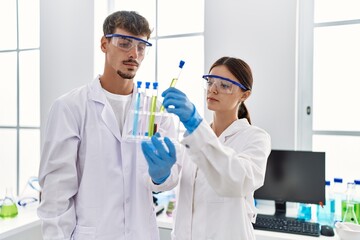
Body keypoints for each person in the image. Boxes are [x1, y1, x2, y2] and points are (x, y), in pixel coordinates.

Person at [37, 11, 180, 240]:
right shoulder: (70, 107)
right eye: (125, 44)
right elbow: (55, 195)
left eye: (141, 47)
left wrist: (161, 176)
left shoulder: (156, 111)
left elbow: (167, 182)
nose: (134, 54)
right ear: (104, 44)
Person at [143, 56, 271, 239]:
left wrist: (196, 125)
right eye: (210, 82)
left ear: (245, 95)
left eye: (224, 85)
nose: (212, 89)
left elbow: (237, 181)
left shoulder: (255, 138)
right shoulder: (192, 139)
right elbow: (171, 182)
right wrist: (159, 176)